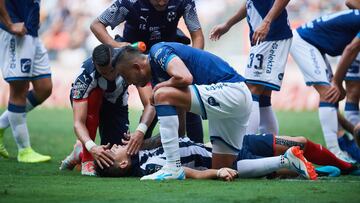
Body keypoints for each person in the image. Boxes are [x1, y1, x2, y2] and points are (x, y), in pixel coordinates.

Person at [114, 42, 255, 180]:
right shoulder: (162, 78)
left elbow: (185, 77)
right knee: (220, 168)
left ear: (137, 67)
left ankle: (173, 167)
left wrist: (157, 90)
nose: (130, 83)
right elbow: (179, 133)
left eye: (126, 77)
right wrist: (141, 144)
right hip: (234, 99)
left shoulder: (158, 51)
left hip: (231, 91)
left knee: (161, 94)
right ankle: (277, 163)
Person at [90, 0, 205, 143]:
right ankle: (134, 151)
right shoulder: (129, 2)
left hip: (168, 59)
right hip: (135, 62)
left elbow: (198, 36)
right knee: (151, 103)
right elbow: (96, 25)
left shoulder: (184, 1)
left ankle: (196, 152)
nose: (162, 3)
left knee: (187, 103)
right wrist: (116, 45)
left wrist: (191, 63)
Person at [60, 44, 156, 176]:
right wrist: (92, 147)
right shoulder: (84, 78)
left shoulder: (126, 62)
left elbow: (150, 104)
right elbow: (78, 123)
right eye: (103, 73)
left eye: (112, 71)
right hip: (91, 106)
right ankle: (87, 159)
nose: (109, 76)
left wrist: (140, 131)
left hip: (116, 105)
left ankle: (79, 151)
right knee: (94, 96)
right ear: (95, 65)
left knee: (117, 159)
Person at [209, 0, 293, 135]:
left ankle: (247, 143)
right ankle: (268, 145)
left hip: (272, 35)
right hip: (266, 36)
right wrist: (228, 24)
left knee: (251, 91)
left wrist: (266, 22)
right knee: (263, 96)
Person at [289, 9, 360, 161]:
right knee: (329, 94)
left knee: (331, 95)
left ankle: (343, 143)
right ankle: (335, 153)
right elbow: (350, 50)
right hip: (304, 42)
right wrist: (337, 82)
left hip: (312, 44)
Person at [93, 136, 318, 180]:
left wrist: (141, 138)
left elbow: (172, 135)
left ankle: (328, 164)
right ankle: (323, 170)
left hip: (227, 142)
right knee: (286, 170)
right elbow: (187, 173)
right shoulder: (150, 168)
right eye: (112, 151)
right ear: (123, 164)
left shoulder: (142, 151)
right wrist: (218, 172)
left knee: (300, 142)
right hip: (228, 161)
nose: (113, 146)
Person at [0, 0, 52, 162]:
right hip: (14, 32)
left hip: (32, 33)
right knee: (19, 90)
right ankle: (24, 150)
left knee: (44, 88)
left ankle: (0, 125)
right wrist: (9, 24)